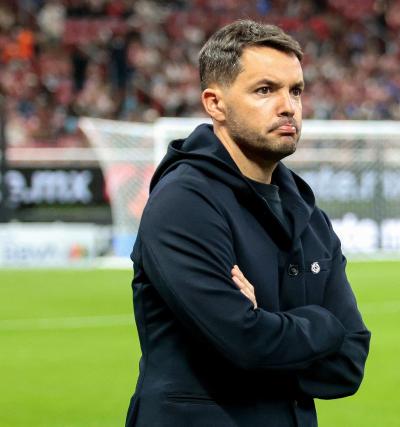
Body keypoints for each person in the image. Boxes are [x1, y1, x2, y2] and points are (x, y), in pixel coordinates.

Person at [125, 20, 371, 427]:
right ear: (215, 103)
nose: (288, 105)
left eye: (296, 90)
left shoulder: (308, 216)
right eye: (265, 90)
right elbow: (244, 342)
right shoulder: (183, 203)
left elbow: (350, 362)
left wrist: (267, 325)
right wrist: (324, 324)